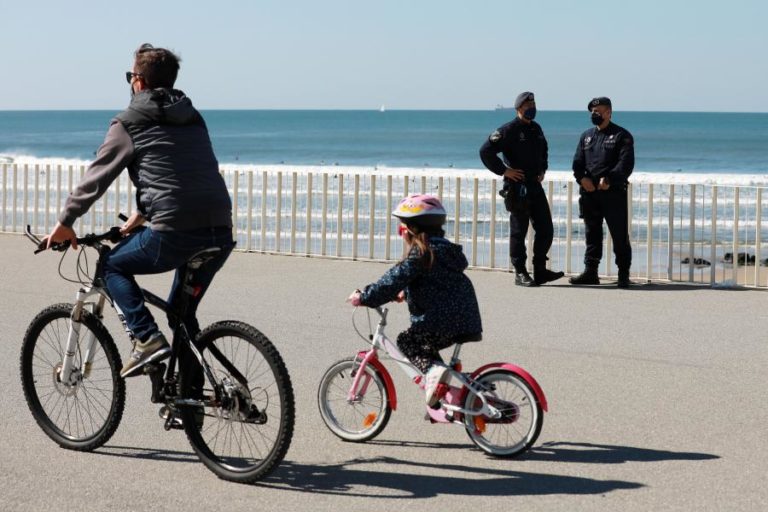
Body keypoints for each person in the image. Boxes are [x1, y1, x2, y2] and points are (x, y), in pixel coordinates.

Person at [42, 43, 234, 378]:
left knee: (112, 266)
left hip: (174, 233)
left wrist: (65, 221)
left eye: (130, 77)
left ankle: (146, 338)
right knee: (181, 316)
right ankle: (193, 403)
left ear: (139, 82)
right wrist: (144, 214)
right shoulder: (192, 116)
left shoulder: (129, 121)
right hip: (220, 228)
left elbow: (96, 177)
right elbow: (180, 174)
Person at [347, 195, 483, 407]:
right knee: (427, 350)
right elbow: (437, 284)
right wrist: (407, 293)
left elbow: (391, 281)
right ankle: (441, 391)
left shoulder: (421, 254)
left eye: (401, 229)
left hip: (440, 322)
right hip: (466, 319)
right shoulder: (446, 252)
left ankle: (434, 376)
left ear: (410, 228)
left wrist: (365, 296)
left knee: (407, 341)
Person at [479, 91, 564, 287]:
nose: (532, 109)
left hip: (535, 186)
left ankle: (540, 270)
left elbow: (544, 150)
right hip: (517, 187)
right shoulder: (508, 130)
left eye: (533, 105)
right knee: (519, 231)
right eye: (527, 107)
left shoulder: (536, 128)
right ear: (519, 109)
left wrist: (543, 168)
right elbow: (485, 151)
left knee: (546, 229)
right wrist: (504, 171)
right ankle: (520, 272)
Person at [570, 97, 634, 288]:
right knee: (592, 234)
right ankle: (591, 272)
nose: (594, 114)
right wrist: (582, 179)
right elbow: (577, 163)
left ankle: (623, 274)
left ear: (608, 112)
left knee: (619, 234)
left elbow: (626, 164)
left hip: (613, 193)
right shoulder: (586, 136)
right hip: (590, 194)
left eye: (598, 111)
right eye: (592, 111)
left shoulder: (622, 135)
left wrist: (609, 179)